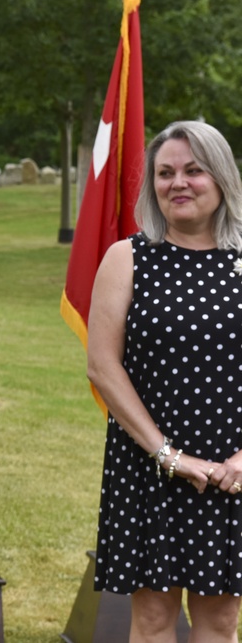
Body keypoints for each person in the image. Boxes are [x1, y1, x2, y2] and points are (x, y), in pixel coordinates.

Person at [89, 120, 242, 642]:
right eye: (165, 172)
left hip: (231, 472)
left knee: (220, 622)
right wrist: (166, 455)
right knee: (152, 619)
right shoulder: (127, 258)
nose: (179, 182)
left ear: (221, 178)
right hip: (147, 464)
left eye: (194, 171)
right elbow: (103, 367)